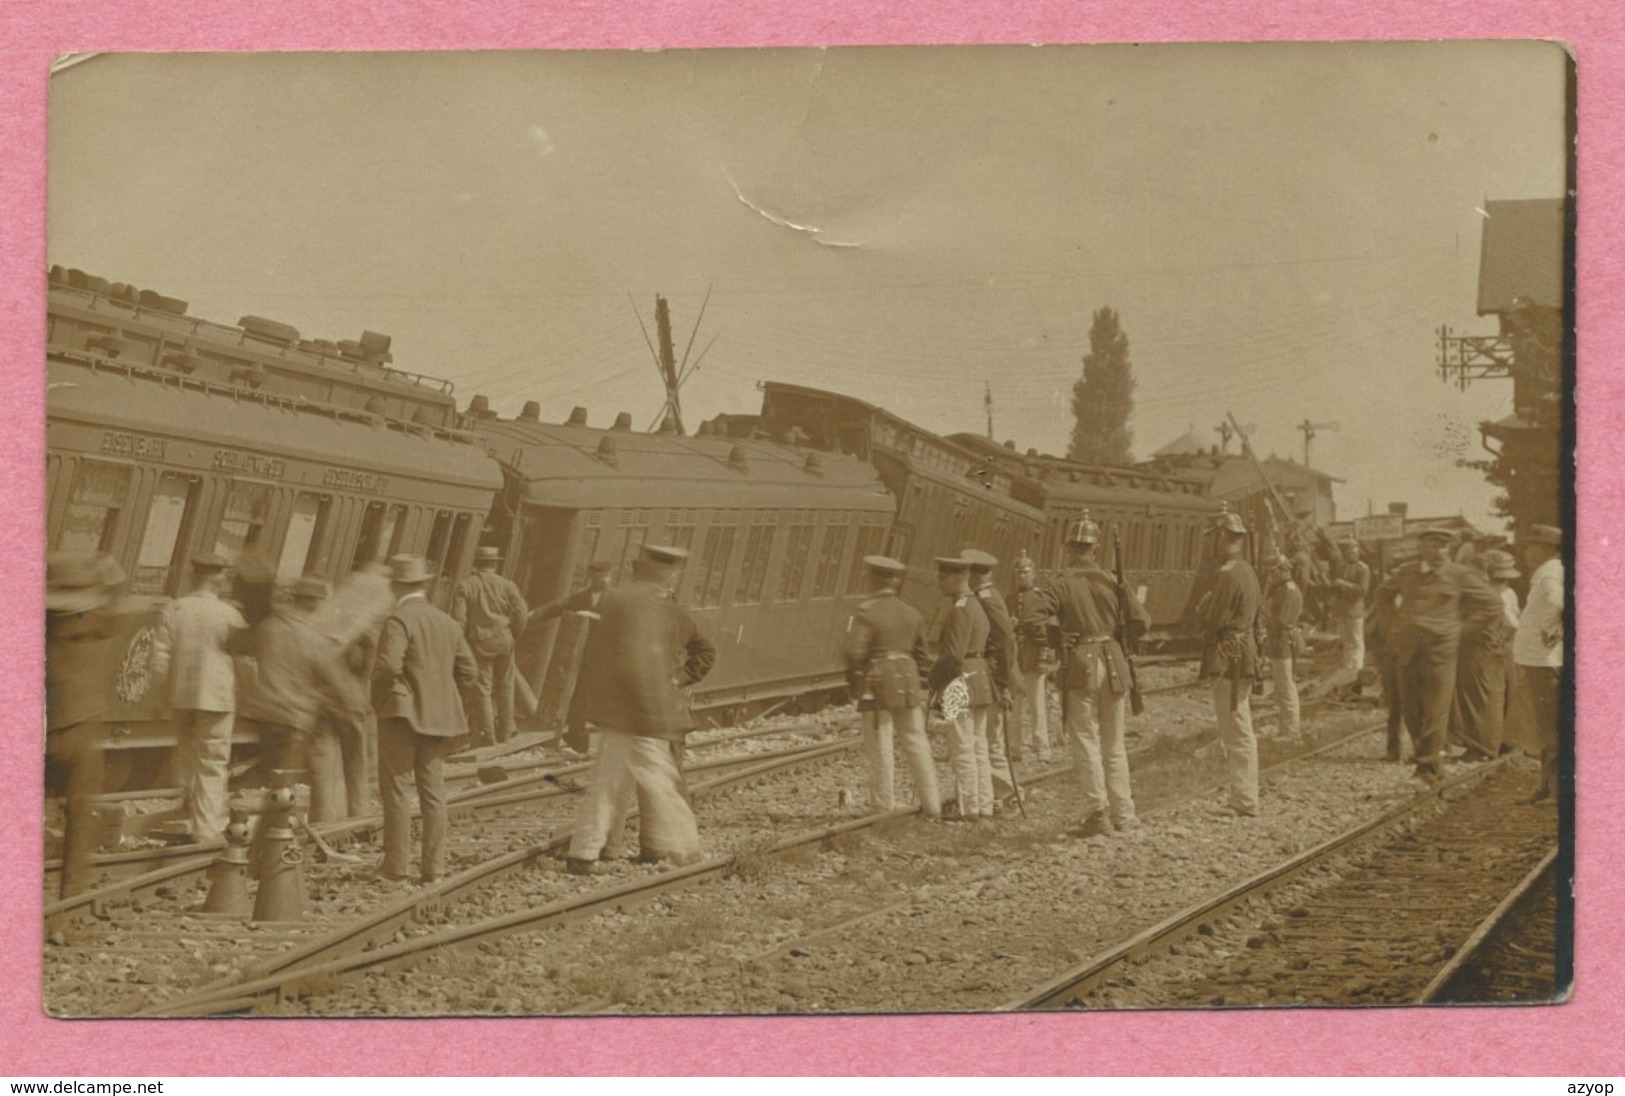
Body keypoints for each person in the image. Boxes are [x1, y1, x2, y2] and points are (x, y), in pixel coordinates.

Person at [565, 545, 716, 871]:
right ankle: (685, 851)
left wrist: (584, 708)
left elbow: (595, 659)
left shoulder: (616, 599)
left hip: (616, 711)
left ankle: (584, 853)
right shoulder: (651, 607)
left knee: (607, 784)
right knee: (662, 781)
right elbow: (640, 664)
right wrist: (661, 702)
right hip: (643, 712)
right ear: (666, 575)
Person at [1035, 511, 1149, 837]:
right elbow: (1142, 621)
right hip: (1114, 661)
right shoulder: (1115, 581)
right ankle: (1125, 814)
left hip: (1082, 663)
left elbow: (1033, 616)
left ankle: (1097, 812)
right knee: (1114, 745)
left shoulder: (1060, 583)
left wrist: (1056, 638)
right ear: (1095, 548)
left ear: (1070, 548)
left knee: (1085, 740)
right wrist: (1122, 637)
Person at [372, 554, 480, 884]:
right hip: (437, 720)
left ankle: (396, 867)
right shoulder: (446, 622)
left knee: (397, 791)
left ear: (396, 586)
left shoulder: (399, 620)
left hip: (401, 717)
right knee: (433, 793)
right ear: (422, 585)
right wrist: (440, 695)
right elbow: (470, 672)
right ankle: (434, 869)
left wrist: (385, 693)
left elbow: (389, 665)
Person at [1371, 526, 1504, 787]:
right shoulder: (1407, 572)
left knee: (1436, 707)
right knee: (1411, 707)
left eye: (1444, 546)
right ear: (1421, 548)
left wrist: (1460, 631)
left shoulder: (1459, 575)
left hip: (1441, 650)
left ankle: (1428, 767)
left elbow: (1492, 604)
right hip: (1407, 648)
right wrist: (1391, 624)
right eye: (1433, 546)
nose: (1440, 551)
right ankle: (1428, 759)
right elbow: (1382, 594)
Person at [237, 576, 368, 824]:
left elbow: (241, 652)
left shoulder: (268, 626)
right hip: (295, 716)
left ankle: (273, 833)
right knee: (309, 774)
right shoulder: (309, 633)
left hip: (264, 716)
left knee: (276, 778)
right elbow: (334, 674)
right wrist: (355, 702)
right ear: (314, 603)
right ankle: (314, 828)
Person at [45, 552, 129, 897]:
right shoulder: (89, 621)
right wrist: (112, 577)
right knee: (80, 816)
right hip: (79, 729)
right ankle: (72, 893)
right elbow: (116, 613)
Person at [149, 551, 247, 842]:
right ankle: (205, 830)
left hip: (181, 696)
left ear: (194, 576)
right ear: (220, 579)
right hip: (217, 698)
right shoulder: (230, 615)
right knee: (212, 763)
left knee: (187, 758)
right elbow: (242, 659)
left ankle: (186, 818)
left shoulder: (175, 609)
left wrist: (160, 696)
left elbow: (159, 656)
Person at [842, 555, 940, 818]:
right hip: (907, 680)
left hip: (878, 681)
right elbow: (922, 655)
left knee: (880, 742)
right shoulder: (912, 613)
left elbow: (854, 652)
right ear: (896, 581)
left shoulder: (867, 612)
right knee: (916, 740)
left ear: (873, 578)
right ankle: (933, 804)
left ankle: (883, 806)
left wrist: (853, 678)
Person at [1196, 509, 1263, 817]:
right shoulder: (1248, 570)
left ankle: (1244, 799)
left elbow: (1214, 619)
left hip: (1229, 655)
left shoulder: (1227, 574)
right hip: (1244, 652)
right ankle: (1245, 796)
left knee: (1236, 730)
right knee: (1241, 727)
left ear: (1223, 538)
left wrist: (1204, 609)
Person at [926, 556, 996, 822]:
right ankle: (985, 805)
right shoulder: (977, 605)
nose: (939, 582)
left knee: (962, 748)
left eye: (943, 577)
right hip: (980, 679)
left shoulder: (959, 609)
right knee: (979, 747)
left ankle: (969, 808)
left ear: (958, 578)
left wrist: (933, 681)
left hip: (960, 682)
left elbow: (953, 656)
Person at [529, 560, 615, 753]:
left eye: (607, 576)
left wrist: (597, 619)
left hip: (605, 658)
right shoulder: (582, 597)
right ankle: (578, 741)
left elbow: (623, 626)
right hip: (582, 657)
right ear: (591, 576)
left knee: (592, 698)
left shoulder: (616, 600)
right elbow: (557, 607)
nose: (604, 580)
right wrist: (531, 616)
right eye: (599, 575)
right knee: (580, 697)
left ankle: (590, 739)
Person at [963, 547, 1025, 806]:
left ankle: (1009, 794)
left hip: (994, 677)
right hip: (992, 676)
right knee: (989, 740)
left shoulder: (987, 599)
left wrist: (1002, 683)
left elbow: (1004, 642)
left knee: (990, 740)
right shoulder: (986, 596)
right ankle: (998, 795)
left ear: (972, 574)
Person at [1448, 548, 1521, 763]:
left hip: (1488, 646)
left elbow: (1512, 624)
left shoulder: (1489, 595)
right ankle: (1499, 743)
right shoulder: (1508, 592)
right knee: (1500, 696)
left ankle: (1482, 747)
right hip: (1503, 646)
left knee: (1481, 697)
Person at [1508, 525, 1564, 804]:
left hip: (1544, 659)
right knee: (1547, 725)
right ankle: (1548, 786)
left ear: (1547, 548)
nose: (1527, 552)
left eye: (1533, 546)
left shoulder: (1550, 573)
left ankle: (1555, 789)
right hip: (1539, 658)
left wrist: (1552, 627)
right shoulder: (1550, 571)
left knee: (1549, 724)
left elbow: (1557, 602)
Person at [452, 546, 530, 746]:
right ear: (495, 564)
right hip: (505, 639)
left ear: (475, 564)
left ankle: (487, 735)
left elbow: (459, 620)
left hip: (480, 642)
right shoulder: (508, 585)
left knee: (483, 688)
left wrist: (459, 645)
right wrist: (513, 634)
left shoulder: (466, 586)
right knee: (506, 685)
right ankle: (506, 732)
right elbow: (521, 611)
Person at [1007, 550, 1058, 760]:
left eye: (1026, 573)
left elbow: (1046, 630)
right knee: (1014, 706)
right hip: (1015, 659)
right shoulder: (1008, 598)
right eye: (1019, 573)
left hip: (1034, 657)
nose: (1022, 577)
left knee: (1037, 705)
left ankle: (1042, 748)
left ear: (1034, 574)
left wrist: (1045, 658)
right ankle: (1013, 748)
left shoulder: (1041, 599)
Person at [1261, 553, 1304, 742]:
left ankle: (1292, 732)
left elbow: (1281, 620)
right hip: (1279, 643)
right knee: (1281, 689)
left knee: (1286, 689)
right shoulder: (1281, 589)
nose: (1271, 576)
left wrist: (1267, 613)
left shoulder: (1289, 591)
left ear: (1283, 570)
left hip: (1284, 643)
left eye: (1273, 572)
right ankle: (1284, 729)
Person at [1326, 537, 1370, 689]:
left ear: (1358, 551)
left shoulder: (1362, 569)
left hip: (1355, 609)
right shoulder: (1342, 568)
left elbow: (1362, 590)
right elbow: (1336, 588)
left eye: (1353, 550)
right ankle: (1347, 665)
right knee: (1346, 639)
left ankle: (1357, 667)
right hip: (1342, 609)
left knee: (1357, 639)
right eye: (1347, 551)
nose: (1350, 553)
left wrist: (1342, 583)